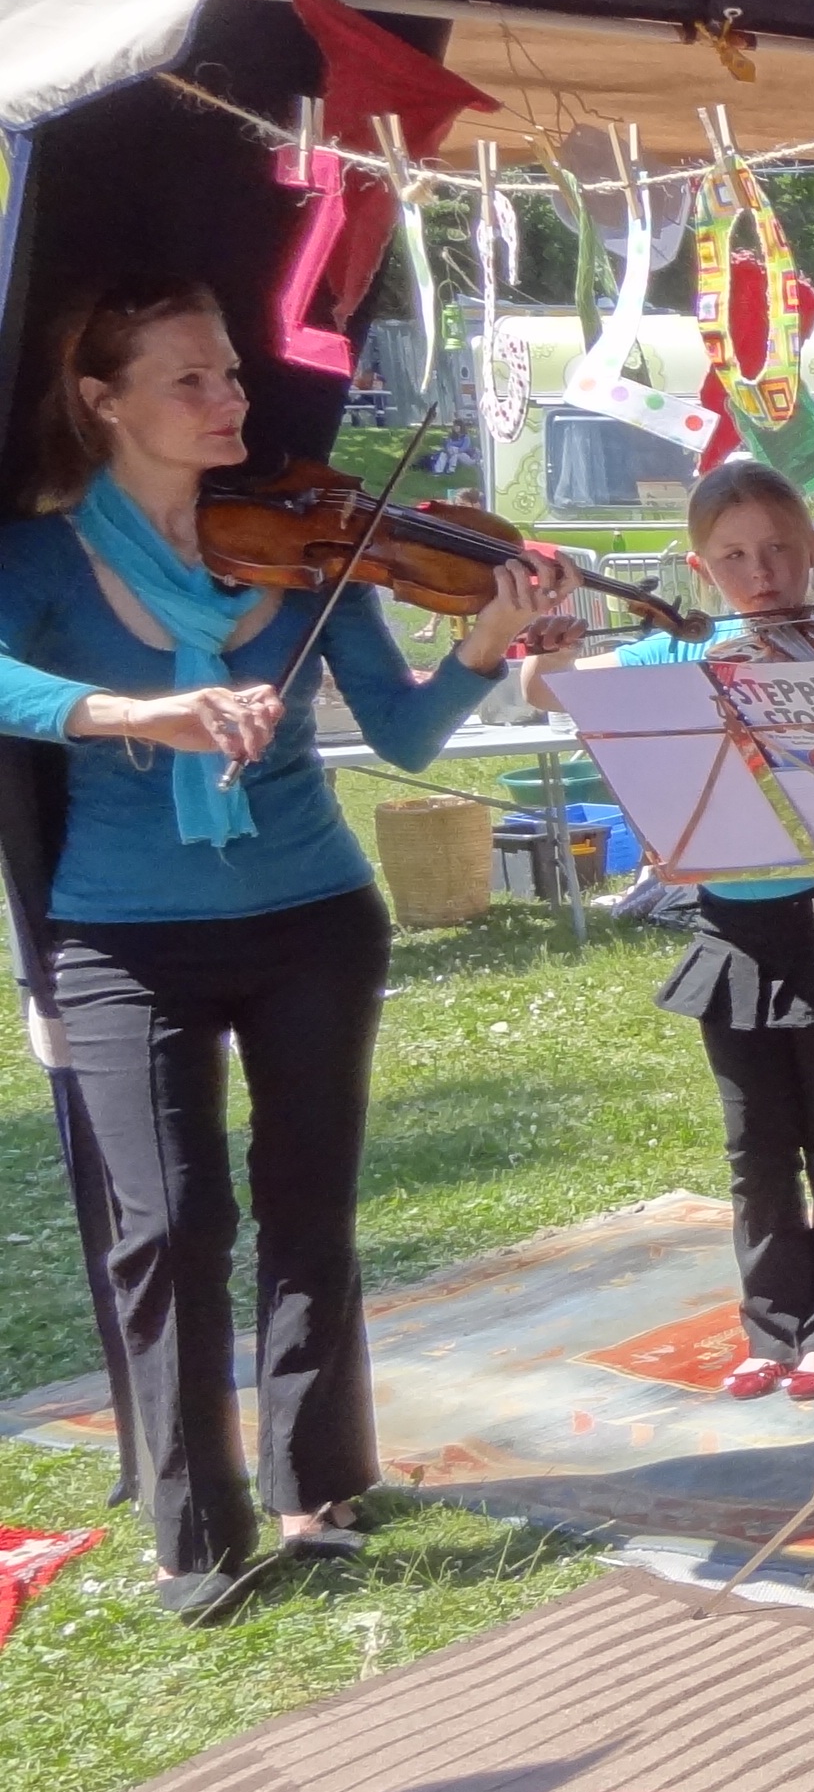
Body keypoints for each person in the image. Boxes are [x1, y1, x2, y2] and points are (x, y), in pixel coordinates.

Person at [0, 277, 564, 1622]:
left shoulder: (315, 543)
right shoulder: (38, 557)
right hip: (123, 935)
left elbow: (411, 734)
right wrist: (140, 710)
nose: (230, 401)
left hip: (315, 911)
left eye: (234, 374)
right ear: (102, 399)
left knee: (310, 1206)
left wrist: (486, 644)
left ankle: (322, 1481)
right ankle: (196, 1532)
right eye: (190, 379)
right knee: (170, 1224)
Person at [520, 461, 814, 1408]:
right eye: (735, 556)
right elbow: (552, 696)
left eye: (781, 549)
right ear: (700, 566)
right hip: (732, 924)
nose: (762, 573)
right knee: (754, 1142)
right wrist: (542, 644)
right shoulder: (678, 653)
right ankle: (773, 1320)